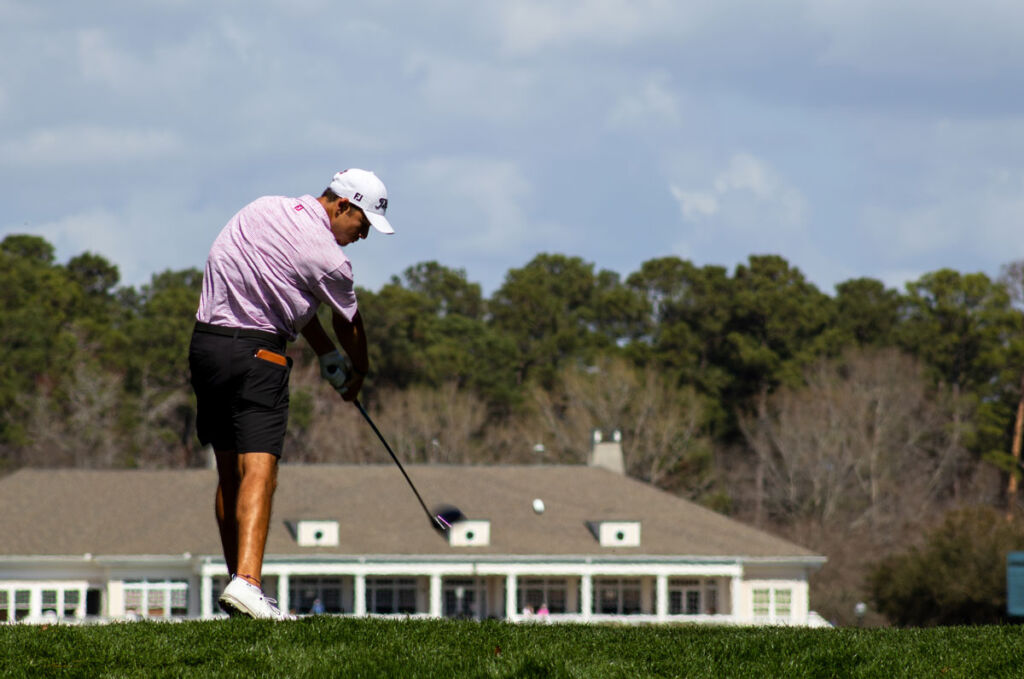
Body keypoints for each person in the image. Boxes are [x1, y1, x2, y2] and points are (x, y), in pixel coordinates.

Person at [188, 169, 394, 620]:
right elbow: (350, 323)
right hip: (258, 355)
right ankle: (248, 582)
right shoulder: (329, 258)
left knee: (229, 473)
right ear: (342, 205)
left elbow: (282, 294)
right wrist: (358, 369)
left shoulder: (264, 209)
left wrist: (324, 354)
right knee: (259, 470)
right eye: (362, 226)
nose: (360, 238)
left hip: (206, 347)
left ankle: (239, 589)